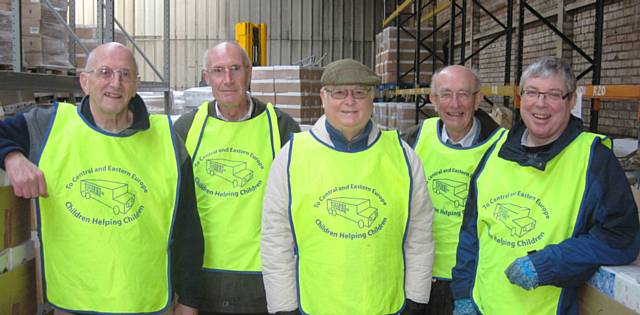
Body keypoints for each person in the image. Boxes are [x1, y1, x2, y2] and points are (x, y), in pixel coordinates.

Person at [0, 42, 203, 314]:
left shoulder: (168, 139)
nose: (115, 83)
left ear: (135, 86)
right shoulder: (49, 125)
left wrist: (189, 300)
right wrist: (11, 156)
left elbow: (188, 228)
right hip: (73, 303)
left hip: (147, 302)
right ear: (85, 82)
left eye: (125, 74)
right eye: (105, 72)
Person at [451, 56, 640, 315]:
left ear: (571, 101)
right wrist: (463, 295)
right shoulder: (496, 150)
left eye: (553, 94)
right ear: (521, 98)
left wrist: (550, 263)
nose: (541, 104)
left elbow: (621, 237)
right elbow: (471, 232)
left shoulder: (593, 158)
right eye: (532, 93)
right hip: (484, 307)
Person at [261, 58, 435, 315]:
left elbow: (419, 234)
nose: (350, 101)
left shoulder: (402, 156)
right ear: (323, 97)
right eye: (339, 93)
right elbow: (276, 238)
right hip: (315, 304)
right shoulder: (292, 157)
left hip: (384, 304)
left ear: (372, 98)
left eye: (359, 93)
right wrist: (282, 307)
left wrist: (417, 298)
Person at [173, 41, 300, 315]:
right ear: (207, 77)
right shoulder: (186, 128)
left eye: (235, 69)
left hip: (262, 282)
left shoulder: (281, 127)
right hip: (200, 280)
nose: (227, 80)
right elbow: (172, 208)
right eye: (218, 70)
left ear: (249, 73)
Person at [402, 65, 505, 314]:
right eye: (446, 94)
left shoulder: (503, 146)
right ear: (433, 100)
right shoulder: (413, 140)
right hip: (420, 277)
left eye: (464, 94)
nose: (455, 104)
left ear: (478, 99)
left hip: (473, 279)